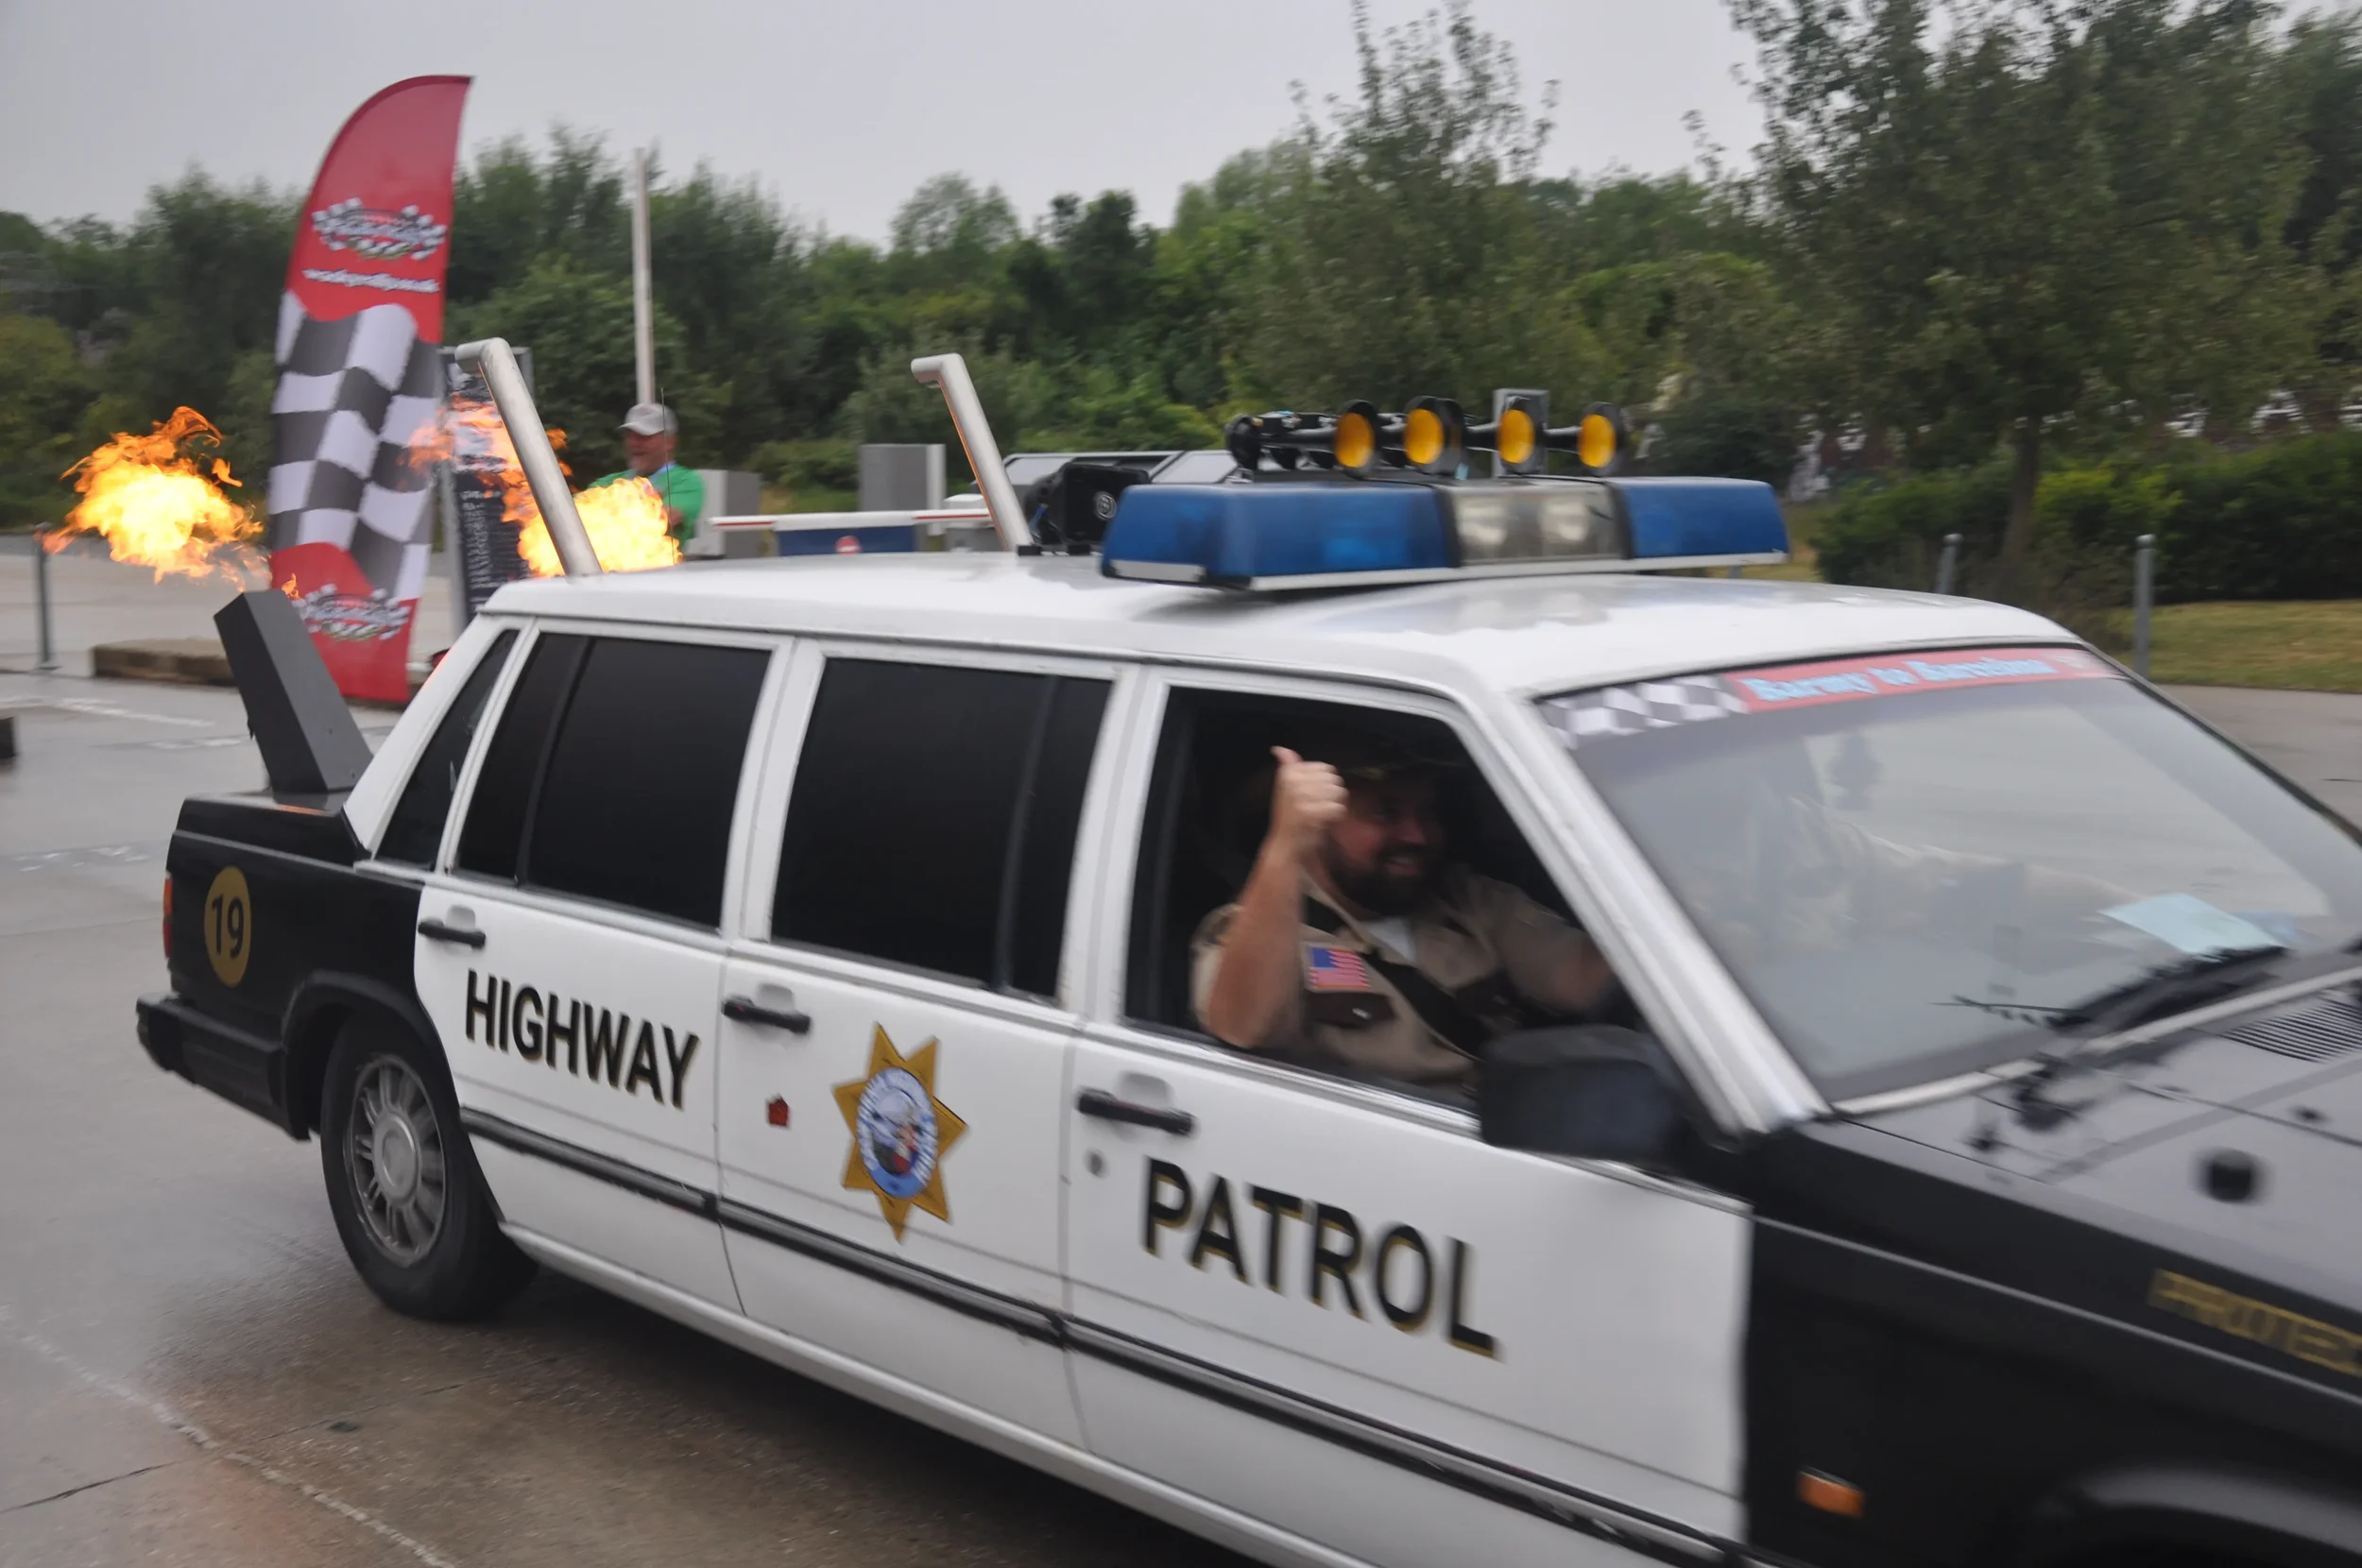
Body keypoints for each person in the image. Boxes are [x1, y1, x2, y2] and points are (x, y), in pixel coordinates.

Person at [1193, 734, 1618, 1091]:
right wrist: (1284, 849)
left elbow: (1585, 980)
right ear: (1317, 827)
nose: (1416, 834)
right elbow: (1241, 1027)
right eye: (1386, 813)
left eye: (1427, 812)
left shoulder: (1466, 899)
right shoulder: (1258, 930)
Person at [594, 402, 705, 551]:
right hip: (608, 572)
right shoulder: (607, 482)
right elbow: (575, 518)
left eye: (643, 437)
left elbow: (662, 519)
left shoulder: (685, 481)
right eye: (630, 436)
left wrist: (606, 513)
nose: (634, 443)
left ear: (670, 442)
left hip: (659, 572)